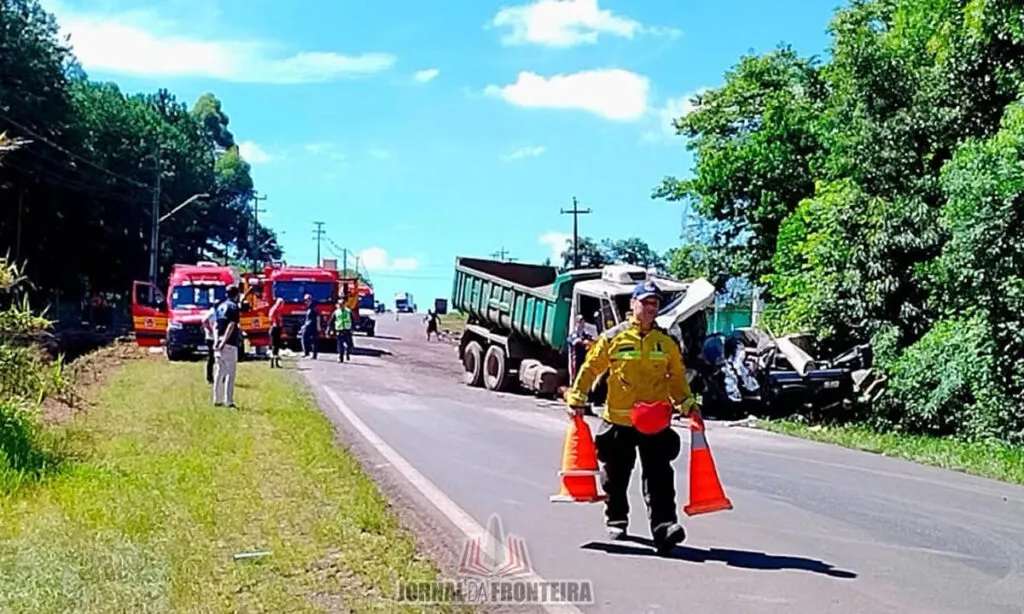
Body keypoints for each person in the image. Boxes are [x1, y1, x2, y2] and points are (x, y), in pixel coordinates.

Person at [564, 279, 701, 554]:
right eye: (646, 302)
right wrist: (577, 398)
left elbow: (676, 378)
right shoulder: (614, 338)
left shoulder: (666, 342)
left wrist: (687, 404)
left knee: (660, 477)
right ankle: (616, 517)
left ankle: (665, 528)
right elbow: (591, 369)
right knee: (615, 476)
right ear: (633, 304)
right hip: (618, 422)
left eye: (655, 304)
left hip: (655, 423)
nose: (651, 308)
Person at [213, 283, 243, 408]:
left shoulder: (220, 307)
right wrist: (224, 341)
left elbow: (215, 325)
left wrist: (216, 341)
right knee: (230, 374)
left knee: (219, 372)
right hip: (229, 343)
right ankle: (228, 400)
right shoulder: (233, 307)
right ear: (237, 295)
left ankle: (216, 399)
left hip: (218, 340)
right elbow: (231, 325)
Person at [567, 315, 594, 386]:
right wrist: (584, 342)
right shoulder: (574, 334)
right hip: (575, 360)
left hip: (583, 358)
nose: (582, 324)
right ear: (576, 323)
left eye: (583, 322)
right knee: (575, 375)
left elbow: (592, 340)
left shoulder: (585, 334)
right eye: (580, 322)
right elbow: (575, 341)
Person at [201, 302, 219, 383]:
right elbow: (204, 320)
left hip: (215, 337)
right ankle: (209, 377)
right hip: (210, 338)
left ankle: (218, 376)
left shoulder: (216, 312)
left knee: (217, 357)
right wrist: (209, 329)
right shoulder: (211, 312)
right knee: (211, 357)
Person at [300, 293, 318, 359]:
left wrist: (305, 325)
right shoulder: (309, 308)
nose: (305, 302)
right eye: (305, 300)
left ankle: (314, 355)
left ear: (310, 300)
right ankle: (306, 353)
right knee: (305, 339)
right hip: (308, 326)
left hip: (312, 326)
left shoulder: (313, 308)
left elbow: (315, 318)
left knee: (313, 341)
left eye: (306, 300)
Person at [268, 297, 284, 368]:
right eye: (282, 304)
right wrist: (277, 325)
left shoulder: (274, 309)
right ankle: (274, 363)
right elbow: (274, 320)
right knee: (275, 346)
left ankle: (275, 363)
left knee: (275, 346)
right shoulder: (275, 310)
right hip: (275, 329)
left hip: (274, 329)